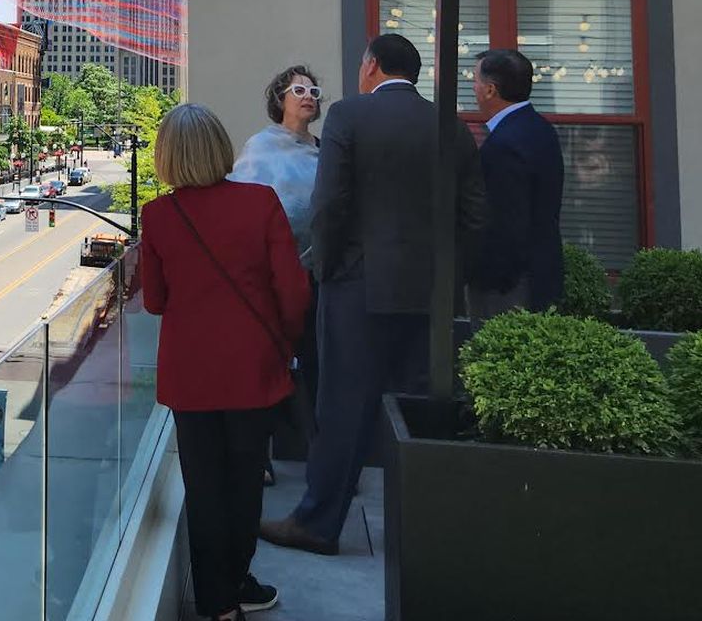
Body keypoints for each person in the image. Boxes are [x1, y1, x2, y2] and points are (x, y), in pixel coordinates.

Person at [261, 33, 483, 555]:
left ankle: (318, 523)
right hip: (430, 296)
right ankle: (430, 531)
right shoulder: (451, 126)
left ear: (372, 66)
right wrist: (447, 281)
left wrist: (331, 269)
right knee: (420, 408)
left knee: (343, 407)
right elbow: (474, 216)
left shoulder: (350, 117)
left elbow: (329, 205)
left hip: (357, 288)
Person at [141, 103, 310, 620]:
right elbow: (294, 292)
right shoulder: (260, 203)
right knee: (243, 481)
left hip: (191, 374)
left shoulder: (159, 216)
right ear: (219, 149)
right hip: (253, 368)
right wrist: (282, 340)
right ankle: (238, 579)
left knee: (204, 484)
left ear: (167, 156)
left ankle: (217, 601)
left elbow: (154, 301)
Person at [229, 65, 324, 474]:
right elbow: (243, 206)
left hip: (313, 275)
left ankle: (320, 460)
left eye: (313, 91)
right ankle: (259, 456)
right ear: (280, 99)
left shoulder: (325, 150)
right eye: (298, 89)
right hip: (266, 278)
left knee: (313, 366)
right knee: (263, 365)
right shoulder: (259, 147)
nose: (308, 96)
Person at [466, 49, 565, 317]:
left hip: (508, 286)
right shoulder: (540, 129)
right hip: (540, 271)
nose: (472, 87)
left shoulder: (504, 145)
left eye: (474, 80)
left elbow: (504, 221)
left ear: (490, 90)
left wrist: (488, 277)